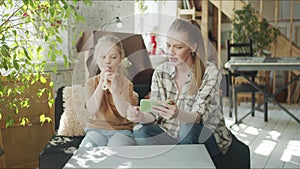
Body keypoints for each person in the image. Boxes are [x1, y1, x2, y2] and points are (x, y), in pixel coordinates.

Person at [126, 18, 232, 158]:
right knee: (140, 130)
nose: (171, 52)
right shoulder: (160, 72)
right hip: (171, 134)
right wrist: (141, 116)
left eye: (178, 47)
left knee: (187, 129)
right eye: (168, 45)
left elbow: (199, 118)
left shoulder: (210, 73)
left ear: (192, 47)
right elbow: (154, 114)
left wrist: (177, 114)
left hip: (204, 135)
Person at [80, 35, 137, 147]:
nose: (108, 61)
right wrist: (101, 83)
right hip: (96, 130)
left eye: (113, 57)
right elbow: (92, 109)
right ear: (97, 59)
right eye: (103, 57)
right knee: (87, 149)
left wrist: (115, 92)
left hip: (121, 130)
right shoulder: (91, 83)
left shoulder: (126, 84)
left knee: (116, 149)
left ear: (120, 60)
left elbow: (125, 113)